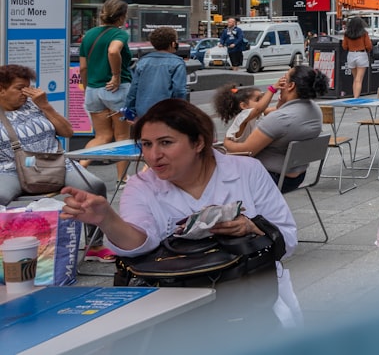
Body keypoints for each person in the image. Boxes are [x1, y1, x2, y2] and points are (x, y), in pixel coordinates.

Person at [62, 99, 298, 260]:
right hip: (177, 294)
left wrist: (251, 227)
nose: (154, 155)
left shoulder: (248, 170)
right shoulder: (140, 186)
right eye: (146, 144)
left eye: (166, 142)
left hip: (253, 295)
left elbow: (287, 239)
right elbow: (139, 242)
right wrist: (107, 219)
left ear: (198, 143)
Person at [0, 65, 105, 206]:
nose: (26, 93)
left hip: (57, 164)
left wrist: (45, 105)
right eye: (20, 88)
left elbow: (68, 132)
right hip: (12, 170)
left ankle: (98, 228)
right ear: (2, 89)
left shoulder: (35, 104)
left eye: (28, 87)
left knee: (94, 187)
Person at [223, 65, 325, 192]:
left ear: (291, 85)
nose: (280, 81)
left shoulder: (281, 118)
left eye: (284, 78)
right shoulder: (315, 110)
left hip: (269, 178)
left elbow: (246, 151)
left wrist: (227, 143)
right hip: (297, 175)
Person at [78, 0, 133, 178]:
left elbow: (83, 67)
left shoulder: (89, 35)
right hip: (116, 89)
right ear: (122, 16)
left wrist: (87, 86)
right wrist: (116, 75)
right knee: (122, 137)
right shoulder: (120, 34)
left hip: (93, 90)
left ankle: (79, 169)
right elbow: (113, 51)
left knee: (102, 136)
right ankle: (122, 178)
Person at [125, 26, 187, 120]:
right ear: (173, 44)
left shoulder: (142, 62)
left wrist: (130, 111)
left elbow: (133, 89)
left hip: (143, 112)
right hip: (166, 113)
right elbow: (179, 90)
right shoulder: (177, 63)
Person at [340, 16, 372, 99]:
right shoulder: (364, 33)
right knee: (359, 79)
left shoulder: (347, 34)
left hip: (351, 55)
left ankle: (355, 96)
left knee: (355, 78)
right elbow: (368, 45)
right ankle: (355, 98)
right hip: (361, 55)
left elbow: (344, 46)